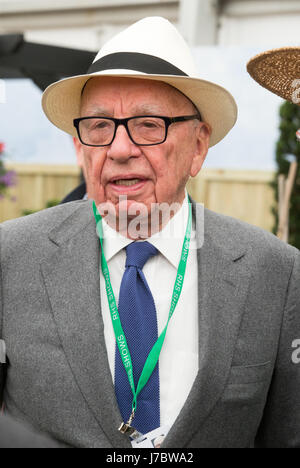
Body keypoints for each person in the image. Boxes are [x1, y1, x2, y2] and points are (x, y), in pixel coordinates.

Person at [0, 17, 299, 448]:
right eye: (100, 126)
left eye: (148, 123)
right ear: (80, 147)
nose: (120, 149)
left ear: (198, 147)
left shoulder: (277, 273)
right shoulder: (11, 259)